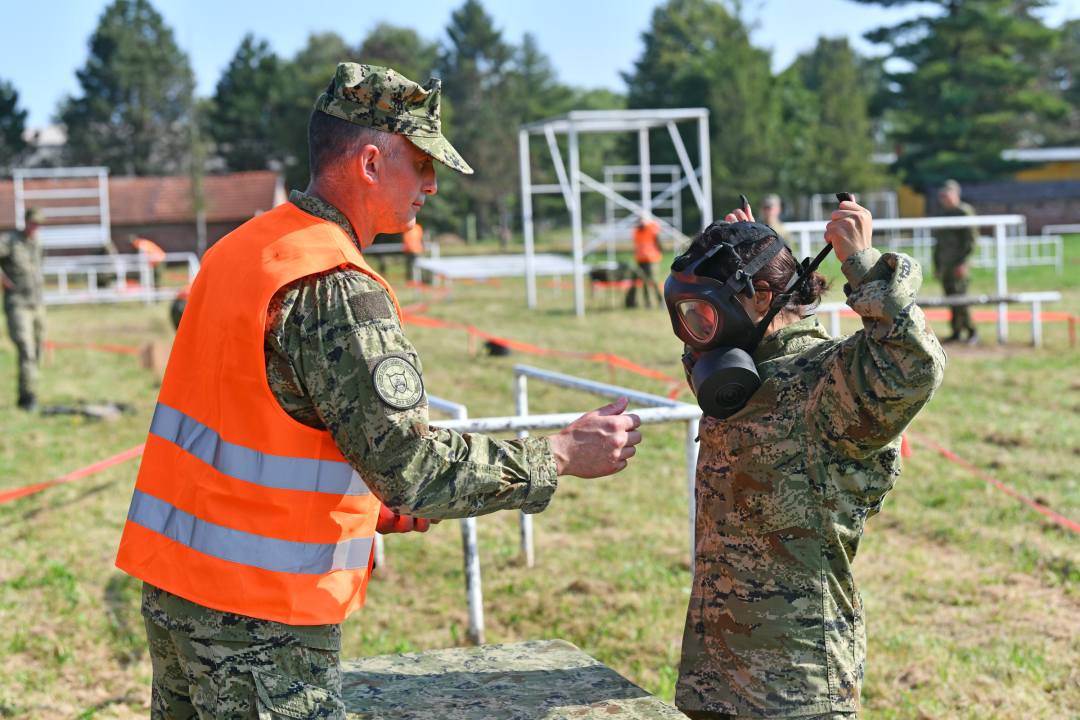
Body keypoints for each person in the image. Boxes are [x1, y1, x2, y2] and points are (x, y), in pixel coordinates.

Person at [115, 63, 643, 720]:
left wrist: (366, 506)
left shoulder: (239, 250)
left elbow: (253, 421)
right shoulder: (335, 285)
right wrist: (558, 454)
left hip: (176, 588)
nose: (431, 184)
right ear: (369, 161)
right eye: (421, 163)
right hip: (260, 620)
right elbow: (412, 469)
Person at [671, 198, 946, 719]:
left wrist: (862, 264)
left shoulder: (828, 383)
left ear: (763, 297)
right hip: (713, 676)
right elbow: (704, 358)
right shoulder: (738, 377)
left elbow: (912, 367)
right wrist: (739, 249)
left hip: (793, 689)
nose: (694, 332)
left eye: (704, 312)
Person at [0, 207, 47, 411]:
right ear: (26, 221)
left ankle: (25, 392)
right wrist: (3, 279)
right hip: (18, 304)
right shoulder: (9, 240)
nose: (35, 227)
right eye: (33, 222)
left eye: (38, 224)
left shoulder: (37, 243)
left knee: (38, 349)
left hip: (37, 303)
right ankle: (29, 397)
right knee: (26, 348)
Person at [933, 179, 980, 344]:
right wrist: (938, 266)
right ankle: (956, 331)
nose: (944, 199)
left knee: (961, 298)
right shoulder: (943, 214)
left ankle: (972, 331)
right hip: (946, 264)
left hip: (958, 264)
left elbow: (971, 241)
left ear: (956, 195)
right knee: (950, 298)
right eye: (942, 196)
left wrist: (963, 263)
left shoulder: (964, 212)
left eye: (947, 195)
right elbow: (939, 244)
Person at [626, 215, 663, 308]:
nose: (640, 223)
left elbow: (657, 233)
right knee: (644, 281)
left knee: (654, 280)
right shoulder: (637, 231)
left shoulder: (650, 228)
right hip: (640, 259)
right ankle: (648, 302)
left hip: (651, 259)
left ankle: (661, 301)